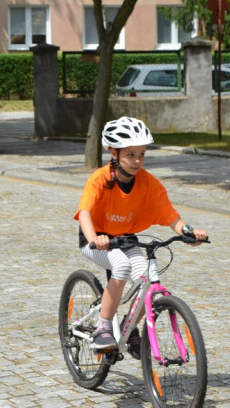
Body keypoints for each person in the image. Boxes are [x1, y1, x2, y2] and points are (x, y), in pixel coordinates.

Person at [74, 116, 209, 351]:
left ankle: (129, 325)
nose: (137, 161)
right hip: (96, 240)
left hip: (125, 239)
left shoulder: (149, 183)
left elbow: (169, 215)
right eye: (131, 155)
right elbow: (84, 212)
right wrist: (95, 237)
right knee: (121, 267)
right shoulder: (99, 179)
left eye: (142, 154)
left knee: (146, 279)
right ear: (114, 153)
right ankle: (103, 328)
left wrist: (188, 232)